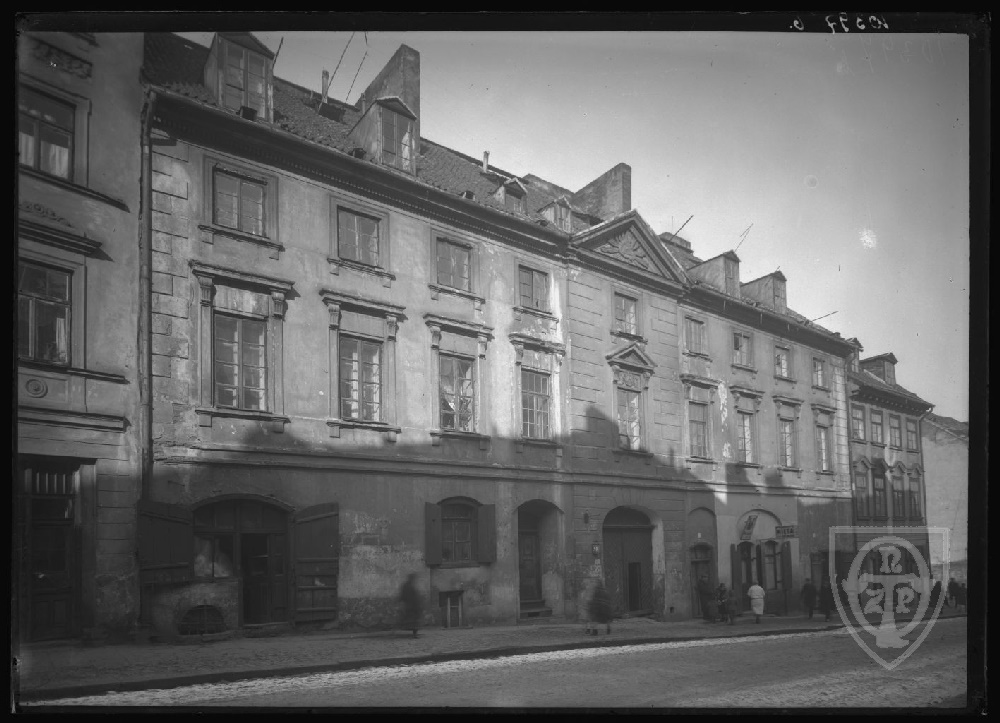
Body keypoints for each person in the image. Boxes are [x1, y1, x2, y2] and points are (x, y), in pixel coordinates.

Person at [398, 572, 423, 638]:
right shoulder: (408, 586)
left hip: (411, 605)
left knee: (414, 620)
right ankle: (414, 634)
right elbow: (404, 595)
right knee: (413, 620)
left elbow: (403, 595)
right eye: (413, 578)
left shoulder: (409, 585)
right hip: (411, 605)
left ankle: (414, 633)